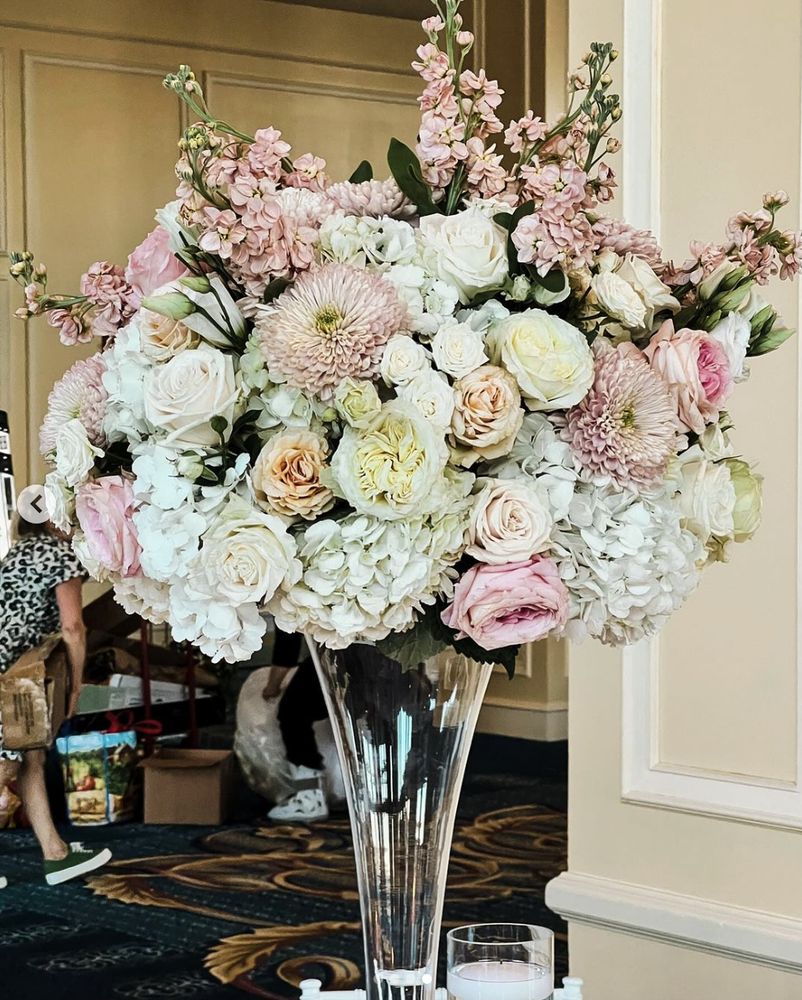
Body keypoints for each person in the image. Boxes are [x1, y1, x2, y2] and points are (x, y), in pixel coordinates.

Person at [0, 513, 111, 887]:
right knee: (5, 765)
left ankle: (56, 854)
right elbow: (72, 628)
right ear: (53, 522)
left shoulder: (18, 551)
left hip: (18, 671)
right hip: (11, 673)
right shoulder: (60, 554)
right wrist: (76, 685)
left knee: (31, 758)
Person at [267, 628, 330, 823]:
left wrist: (272, 686)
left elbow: (288, 642)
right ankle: (389, 793)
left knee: (293, 711)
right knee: (375, 715)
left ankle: (309, 799)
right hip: (380, 649)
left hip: (336, 652)